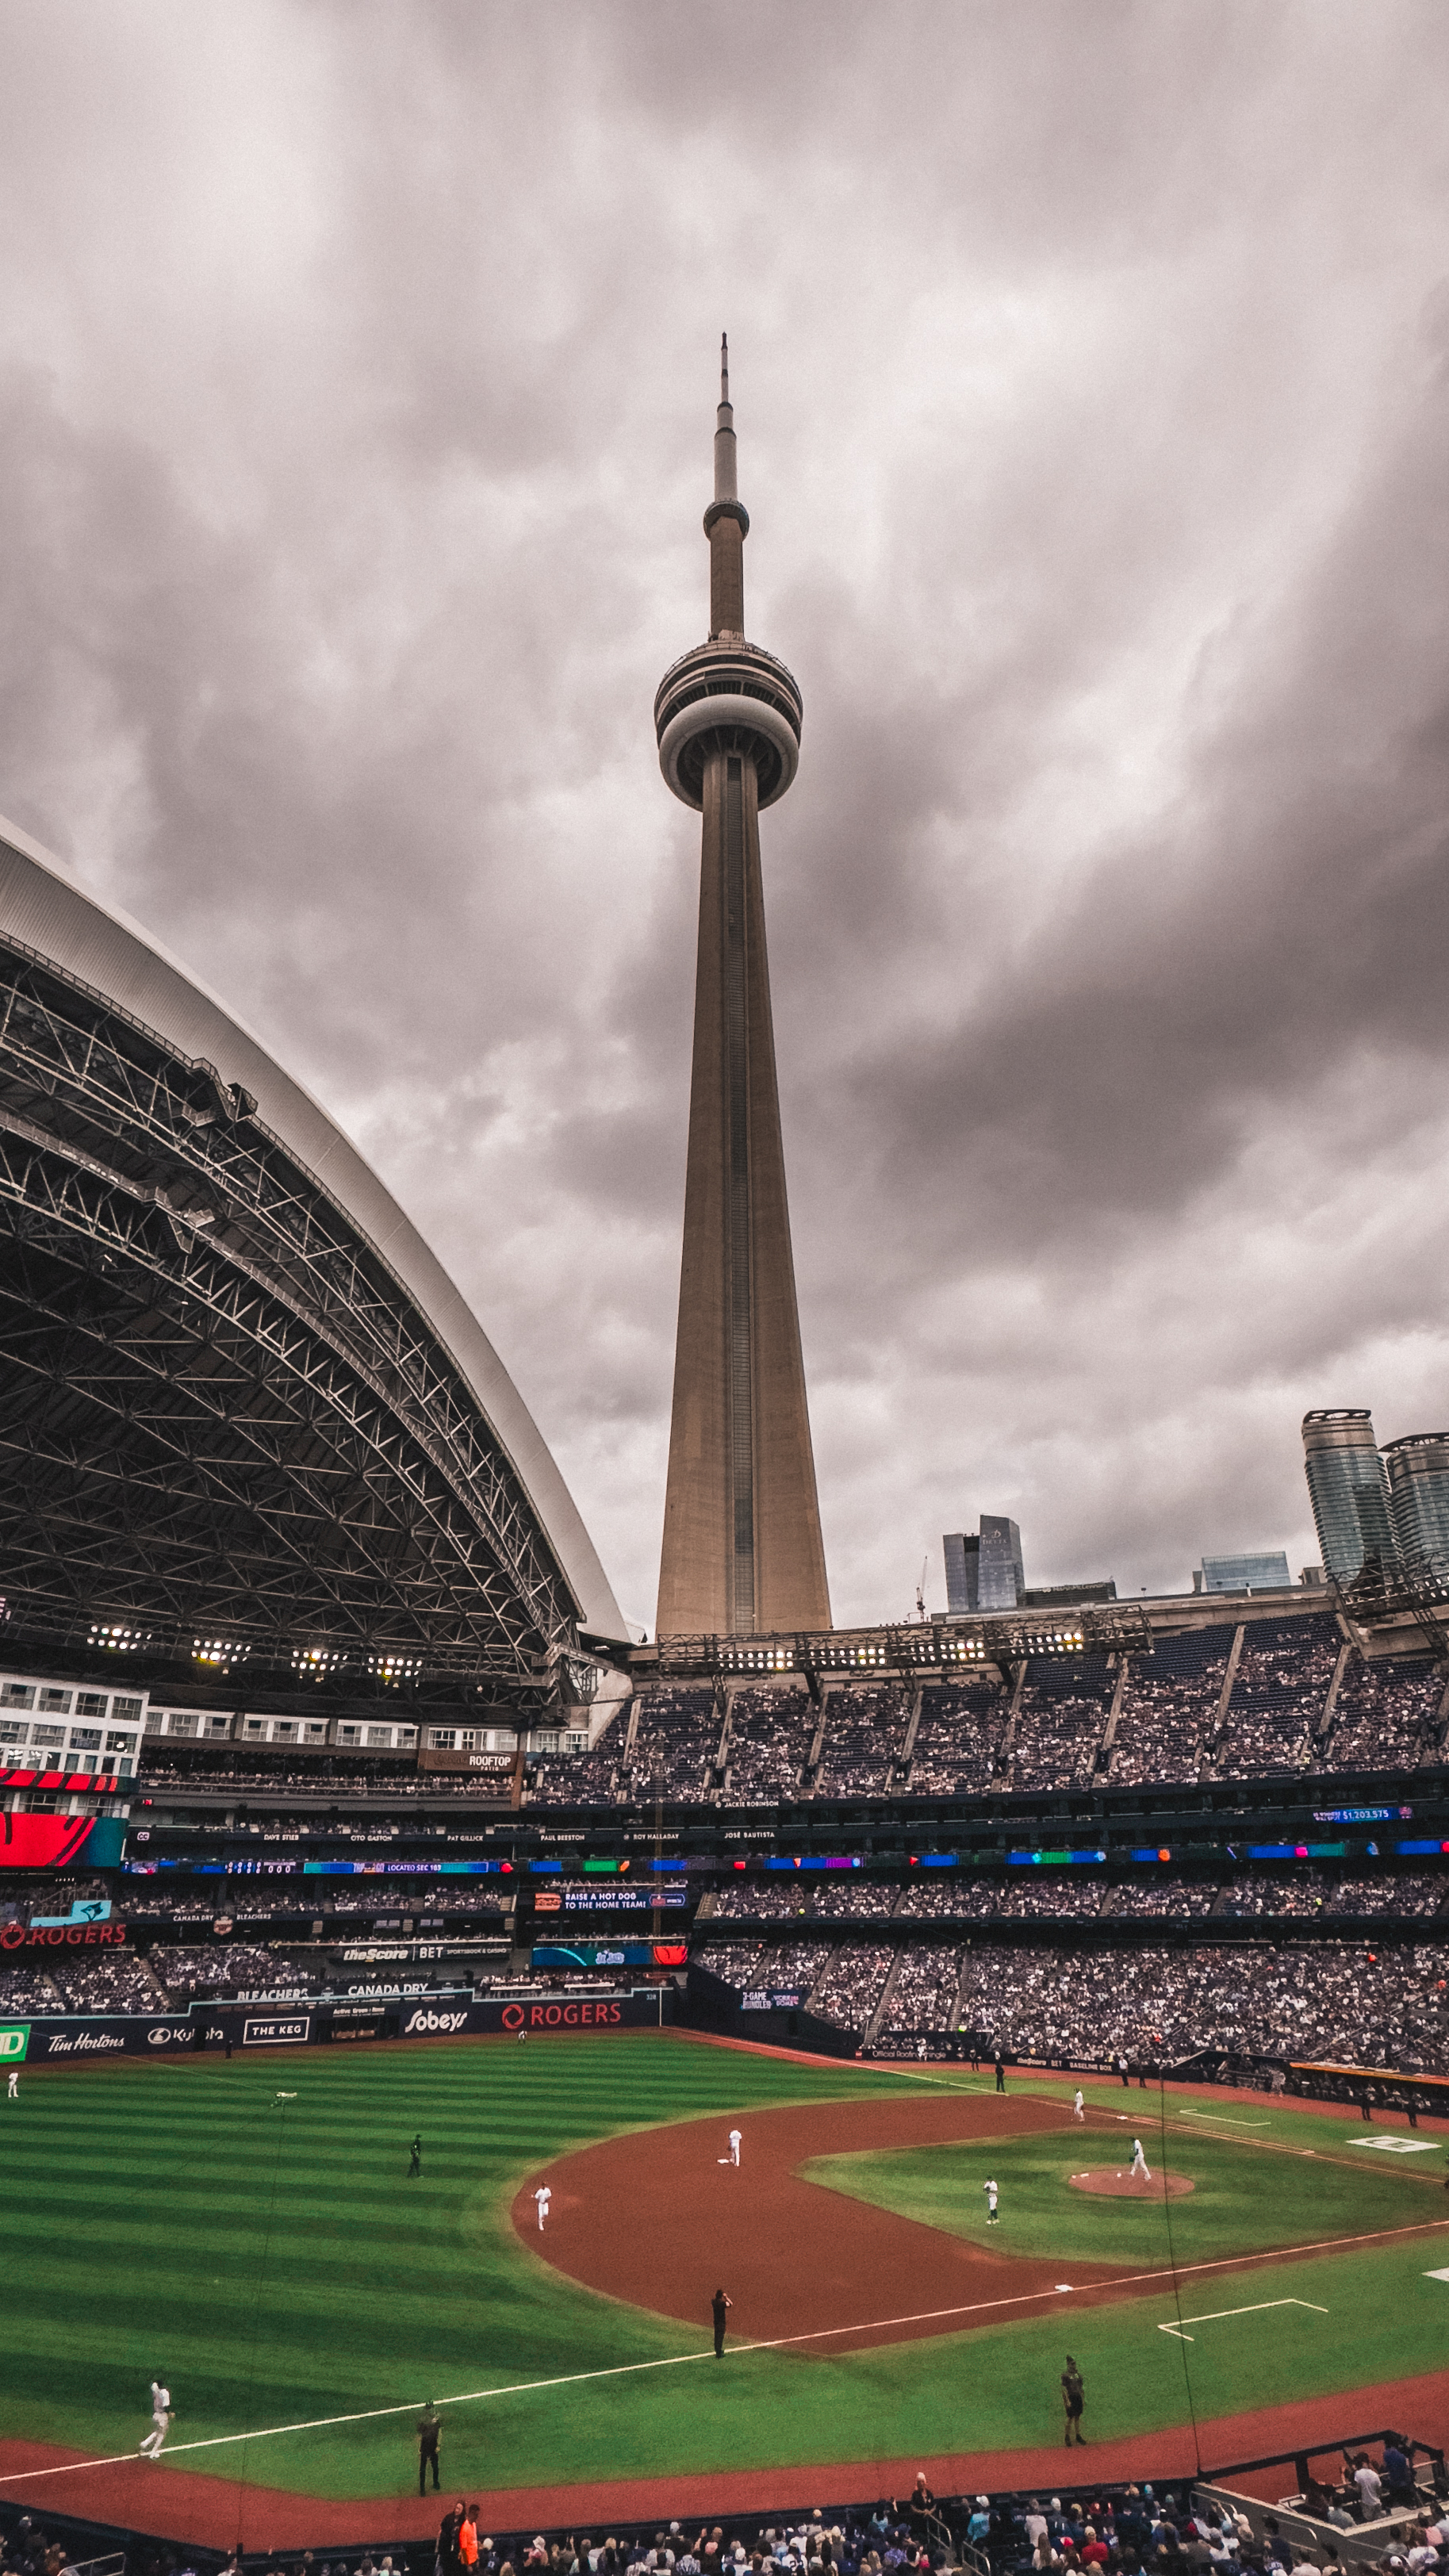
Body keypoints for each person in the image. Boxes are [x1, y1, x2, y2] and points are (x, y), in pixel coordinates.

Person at [139, 2379, 173, 2459]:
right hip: (162, 2416)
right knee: (161, 2435)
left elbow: (154, 2385)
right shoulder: (165, 2393)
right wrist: (170, 2413)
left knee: (157, 2431)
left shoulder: (155, 2391)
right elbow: (166, 2405)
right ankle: (153, 2452)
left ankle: (145, 2443)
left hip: (155, 2415)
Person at [417, 2400, 442, 2495]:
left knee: (429, 2467)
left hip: (429, 2446)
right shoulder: (433, 2419)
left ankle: (429, 2486)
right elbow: (439, 2432)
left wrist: (438, 2445)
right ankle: (426, 2487)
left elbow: (420, 2435)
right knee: (430, 2467)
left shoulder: (425, 2420)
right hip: (428, 2446)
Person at [1061, 2356, 1085, 2447]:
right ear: (1068, 2364)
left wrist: (1083, 2399)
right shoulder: (1065, 2375)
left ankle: (1078, 2436)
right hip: (1071, 2397)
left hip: (1077, 2397)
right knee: (1070, 2418)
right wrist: (1067, 2400)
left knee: (1077, 2417)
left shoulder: (1078, 2375)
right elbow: (1063, 2389)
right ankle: (1067, 2437)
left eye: (1074, 2363)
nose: (1074, 2365)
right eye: (1072, 2364)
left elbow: (1081, 2388)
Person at [711, 2287, 733, 2356]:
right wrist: (726, 2297)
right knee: (720, 2337)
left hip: (716, 2322)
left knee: (716, 2337)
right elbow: (731, 2304)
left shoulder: (714, 2302)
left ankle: (717, 2350)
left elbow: (715, 2300)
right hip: (721, 2322)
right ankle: (719, 2353)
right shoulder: (722, 2304)